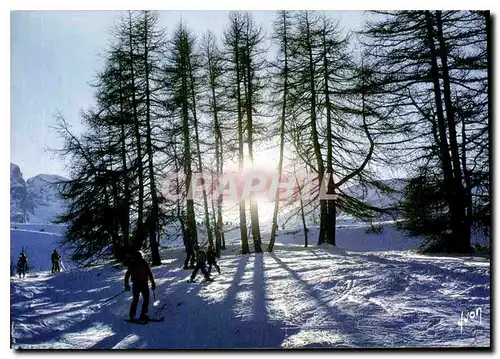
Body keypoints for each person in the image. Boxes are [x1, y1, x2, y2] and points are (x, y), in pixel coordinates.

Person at [124, 250, 156, 322]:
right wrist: (126, 284)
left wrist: (153, 283)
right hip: (137, 284)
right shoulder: (133, 264)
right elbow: (127, 275)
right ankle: (133, 315)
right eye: (139, 257)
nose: (140, 258)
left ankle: (143, 315)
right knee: (137, 300)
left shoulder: (144, 263)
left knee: (145, 299)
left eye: (141, 257)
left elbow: (149, 273)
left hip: (143, 284)